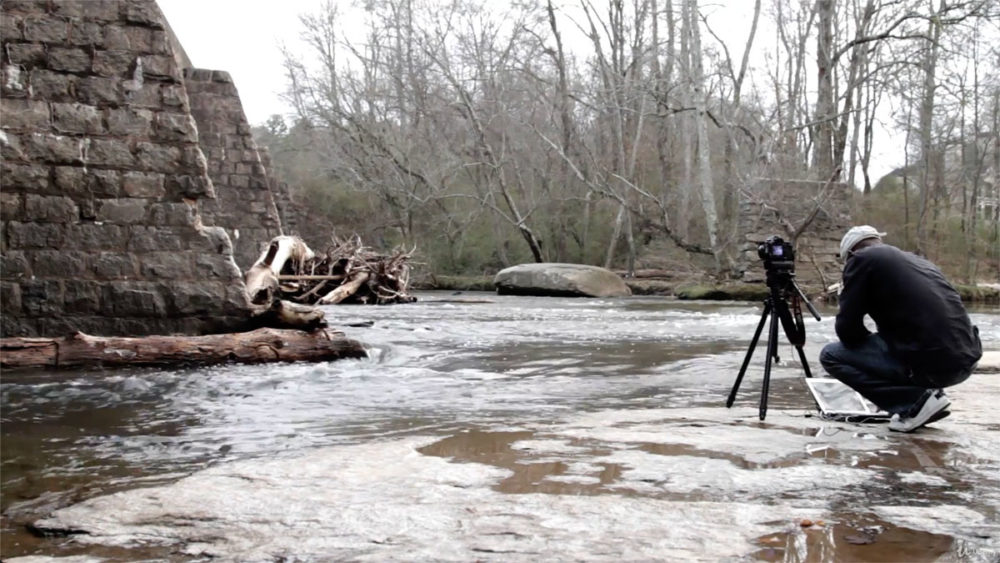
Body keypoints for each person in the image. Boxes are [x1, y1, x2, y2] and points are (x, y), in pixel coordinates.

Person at [819, 225, 982, 432]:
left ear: (851, 253)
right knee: (895, 340)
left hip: (934, 367)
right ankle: (923, 397)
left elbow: (847, 331)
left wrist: (849, 296)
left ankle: (914, 404)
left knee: (831, 355)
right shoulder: (919, 262)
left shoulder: (861, 260)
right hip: (967, 360)